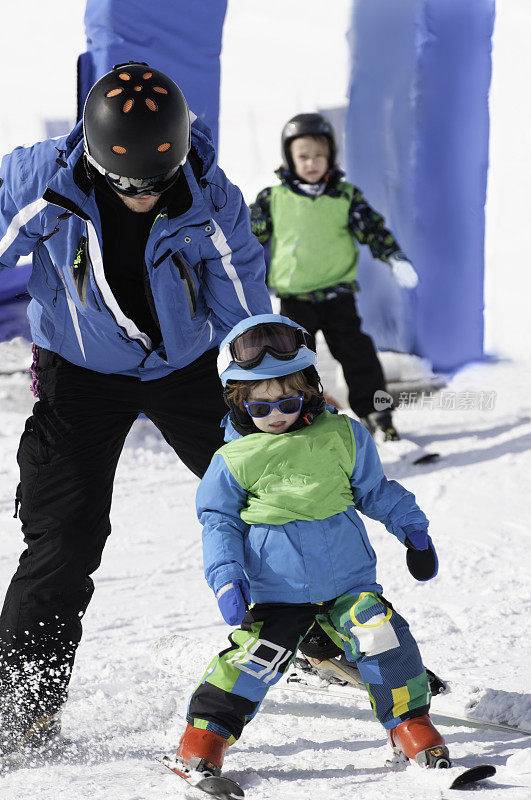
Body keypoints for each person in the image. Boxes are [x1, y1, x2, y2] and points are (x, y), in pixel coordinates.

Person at [0, 61, 272, 756]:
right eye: (125, 184)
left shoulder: (210, 194)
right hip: (81, 375)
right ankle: (20, 706)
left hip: (185, 369)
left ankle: (323, 631)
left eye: (156, 182)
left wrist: (270, 387)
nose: (142, 196)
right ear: (94, 158)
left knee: (275, 493)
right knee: (61, 540)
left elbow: (243, 303)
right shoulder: (43, 182)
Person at [168, 314, 447, 782]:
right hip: (279, 592)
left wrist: (413, 531)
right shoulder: (232, 460)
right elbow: (218, 523)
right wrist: (226, 577)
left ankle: (410, 723)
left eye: (288, 402)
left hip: (348, 583)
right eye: (260, 408)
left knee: (382, 636)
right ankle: (204, 738)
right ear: (239, 404)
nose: (275, 415)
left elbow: (375, 491)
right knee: (255, 659)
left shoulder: (343, 436)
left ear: (310, 394)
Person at [249, 113, 419, 440]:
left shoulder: (345, 196)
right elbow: (248, 240)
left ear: (330, 156)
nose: (311, 162)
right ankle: (301, 418)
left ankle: (378, 414)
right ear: (289, 158)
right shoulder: (273, 199)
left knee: (358, 354)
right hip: (296, 299)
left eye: (319, 155)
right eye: (303, 156)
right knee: (295, 362)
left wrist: (394, 256)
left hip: (338, 294)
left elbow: (373, 229)